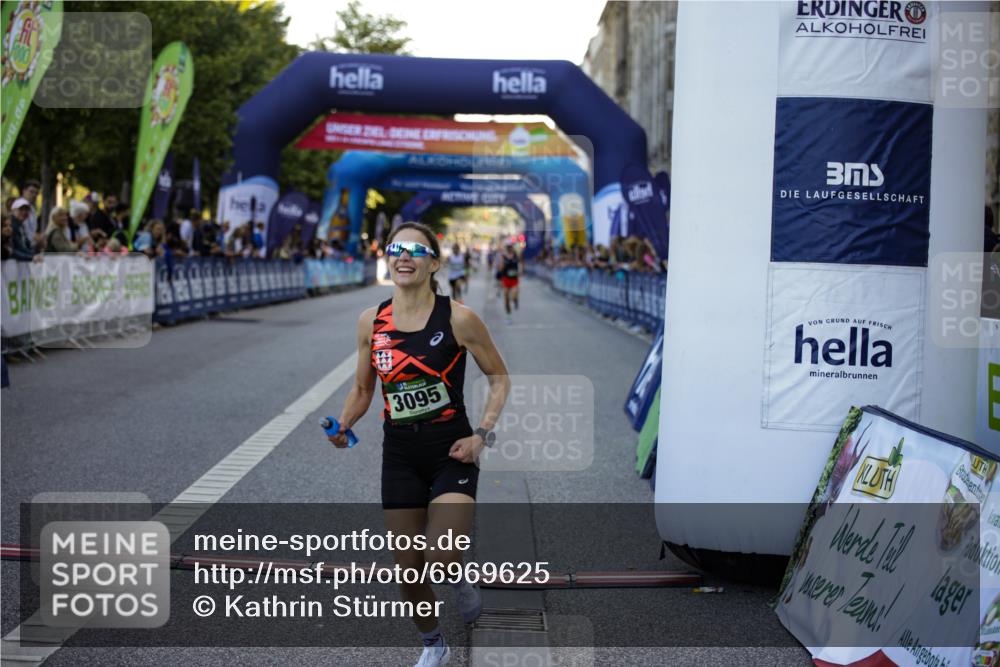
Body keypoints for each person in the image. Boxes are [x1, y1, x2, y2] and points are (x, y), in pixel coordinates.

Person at [328, 222, 510, 667]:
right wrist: (345, 422)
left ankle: (458, 576)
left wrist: (481, 436)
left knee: (443, 552)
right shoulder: (371, 321)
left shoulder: (460, 318)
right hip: (401, 455)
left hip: (452, 450)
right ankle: (434, 644)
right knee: (407, 566)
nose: (403, 256)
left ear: (434, 263)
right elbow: (363, 388)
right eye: (396, 248)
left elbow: (499, 378)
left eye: (415, 249)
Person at [499, 244, 521, 324]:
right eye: (508, 247)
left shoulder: (516, 255)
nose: (509, 248)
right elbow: (500, 268)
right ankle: (508, 317)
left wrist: (520, 270)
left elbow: (520, 264)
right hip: (506, 279)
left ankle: (515, 301)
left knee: (513, 295)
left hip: (514, 280)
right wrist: (503, 265)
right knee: (506, 300)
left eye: (510, 246)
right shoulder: (503, 257)